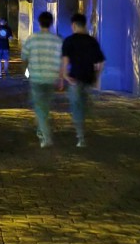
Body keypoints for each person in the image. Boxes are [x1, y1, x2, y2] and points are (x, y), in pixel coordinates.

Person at [60, 13, 106, 148]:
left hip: (74, 79)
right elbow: (101, 62)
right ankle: (87, 124)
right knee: (84, 104)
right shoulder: (92, 41)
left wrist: (65, 76)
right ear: (84, 24)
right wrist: (97, 77)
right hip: (88, 78)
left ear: (74, 25)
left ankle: (80, 137)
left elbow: (65, 61)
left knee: (76, 107)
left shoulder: (69, 41)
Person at [20, 11, 62, 148]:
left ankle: (46, 137)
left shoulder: (32, 39)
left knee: (39, 108)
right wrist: (60, 78)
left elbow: (24, 58)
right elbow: (61, 61)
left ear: (39, 23)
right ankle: (40, 130)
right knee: (45, 107)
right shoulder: (57, 40)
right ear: (51, 23)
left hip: (36, 78)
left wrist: (25, 73)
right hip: (51, 78)